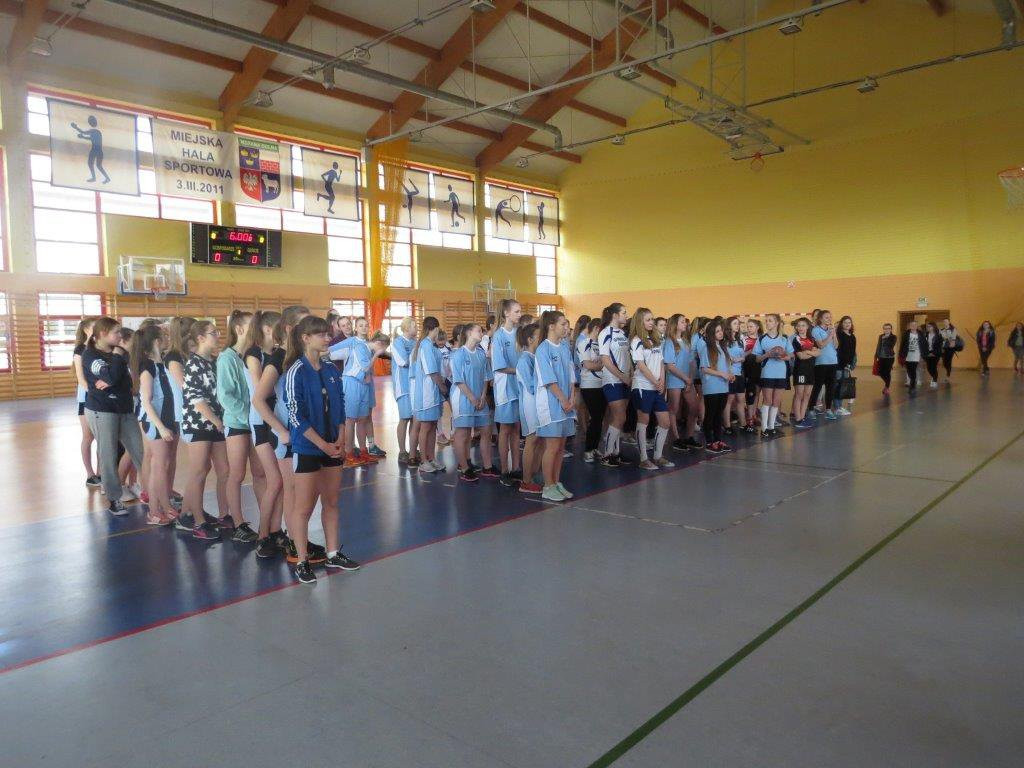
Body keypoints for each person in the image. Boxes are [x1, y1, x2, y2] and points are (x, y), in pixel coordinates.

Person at [284, 315, 359, 584]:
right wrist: (323, 445)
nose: (328, 339)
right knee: (303, 507)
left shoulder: (330, 370)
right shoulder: (296, 372)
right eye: (322, 335)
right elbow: (296, 415)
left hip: (332, 446)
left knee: (332, 502)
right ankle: (302, 560)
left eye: (328, 334)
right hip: (308, 448)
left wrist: (341, 436)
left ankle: (333, 553)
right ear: (306, 338)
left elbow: (340, 404)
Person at [253, 306, 326, 564]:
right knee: (292, 490)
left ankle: (297, 538)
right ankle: (294, 544)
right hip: (287, 435)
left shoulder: (300, 358)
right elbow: (258, 400)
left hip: (303, 433)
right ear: (289, 329)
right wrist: (281, 431)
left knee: (300, 491)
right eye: (305, 324)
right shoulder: (278, 359)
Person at [82, 317, 145, 516]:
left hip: (125, 408)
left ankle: (156, 491)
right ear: (102, 334)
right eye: (116, 332)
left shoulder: (121, 353)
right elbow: (110, 376)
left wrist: (112, 377)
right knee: (108, 454)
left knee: (140, 451)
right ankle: (114, 498)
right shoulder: (91, 355)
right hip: (103, 409)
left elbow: (122, 379)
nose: (120, 335)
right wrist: (116, 361)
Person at [177, 320, 230, 540]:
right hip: (199, 423)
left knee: (224, 469)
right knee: (199, 470)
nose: (217, 336)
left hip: (217, 421)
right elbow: (196, 399)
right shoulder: (193, 364)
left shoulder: (215, 362)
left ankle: (225, 514)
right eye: (213, 333)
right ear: (200, 338)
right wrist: (216, 421)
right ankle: (197, 520)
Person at [244, 310, 288, 559]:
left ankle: (276, 530)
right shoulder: (254, 354)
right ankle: (263, 536)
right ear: (269, 329)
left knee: (280, 481)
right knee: (274, 481)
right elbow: (261, 387)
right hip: (261, 421)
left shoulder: (277, 354)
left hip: (275, 417)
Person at [216, 310, 260, 543]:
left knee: (261, 472)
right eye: (252, 326)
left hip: (255, 421)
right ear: (239, 329)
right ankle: (238, 522)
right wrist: (248, 417)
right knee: (237, 473)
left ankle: (268, 524)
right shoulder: (227, 358)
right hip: (238, 423)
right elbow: (225, 396)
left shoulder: (253, 356)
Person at [129, 322, 176, 526]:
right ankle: (154, 510)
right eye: (164, 336)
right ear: (157, 341)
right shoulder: (147, 366)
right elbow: (146, 401)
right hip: (155, 421)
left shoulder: (161, 363)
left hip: (166, 417)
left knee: (162, 465)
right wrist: (161, 427)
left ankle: (165, 506)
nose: (168, 339)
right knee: (159, 466)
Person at [329, 326, 389, 465]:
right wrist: (376, 355)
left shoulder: (367, 349)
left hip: (362, 385)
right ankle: (349, 453)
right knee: (350, 420)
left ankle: (363, 452)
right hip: (352, 383)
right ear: (379, 344)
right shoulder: (360, 347)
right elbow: (365, 367)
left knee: (362, 419)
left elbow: (367, 371)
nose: (383, 352)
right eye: (383, 349)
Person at [535, 311, 576, 501]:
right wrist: (563, 400)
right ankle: (548, 485)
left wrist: (572, 396)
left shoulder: (565, 347)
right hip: (551, 404)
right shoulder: (543, 349)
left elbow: (571, 374)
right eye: (563, 324)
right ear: (551, 326)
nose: (566, 328)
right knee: (551, 447)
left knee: (560, 446)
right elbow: (549, 381)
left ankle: (557, 482)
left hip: (566, 403)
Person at [628, 308, 673, 470]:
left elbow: (660, 361)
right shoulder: (636, 341)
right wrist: (654, 381)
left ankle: (658, 456)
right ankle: (643, 459)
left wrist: (662, 381)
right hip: (642, 386)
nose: (651, 322)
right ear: (640, 322)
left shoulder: (655, 339)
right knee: (644, 421)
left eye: (652, 319)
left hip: (656, 387)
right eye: (648, 320)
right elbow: (640, 365)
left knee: (665, 421)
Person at [450, 323, 496, 482]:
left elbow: (486, 377)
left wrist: (482, 396)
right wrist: (472, 398)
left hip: (479, 400)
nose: (482, 333)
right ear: (469, 333)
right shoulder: (458, 355)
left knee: (486, 431)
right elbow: (459, 380)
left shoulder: (481, 354)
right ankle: (464, 468)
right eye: (478, 331)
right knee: (462, 433)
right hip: (463, 399)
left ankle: (488, 466)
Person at [491, 300, 523, 486]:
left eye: (520, 311)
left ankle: (516, 467)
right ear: (506, 313)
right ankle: (504, 470)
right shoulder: (498, 336)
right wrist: (521, 370)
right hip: (505, 388)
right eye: (516, 311)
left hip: (519, 386)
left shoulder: (519, 333)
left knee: (516, 428)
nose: (519, 314)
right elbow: (500, 366)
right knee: (505, 429)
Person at [598, 303, 632, 467]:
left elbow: (627, 358)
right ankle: (607, 453)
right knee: (620, 417)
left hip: (625, 380)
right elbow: (605, 360)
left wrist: (629, 375)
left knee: (618, 418)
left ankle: (616, 452)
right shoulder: (606, 333)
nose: (626, 315)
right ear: (615, 315)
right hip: (612, 380)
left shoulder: (623, 333)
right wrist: (621, 376)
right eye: (624, 312)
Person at [411, 316, 446, 474]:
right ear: (436, 329)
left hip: (433, 393)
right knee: (425, 427)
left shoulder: (431, 345)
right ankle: (423, 460)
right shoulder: (425, 345)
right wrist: (443, 387)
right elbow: (432, 372)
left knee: (432, 426)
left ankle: (431, 458)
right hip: (427, 394)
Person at [697, 319, 733, 454]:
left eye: (721, 330)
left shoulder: (723, 348)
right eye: (717, 331)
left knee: (719, 415)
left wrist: (730, 374)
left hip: (723, 387)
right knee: (710, 415)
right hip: (712, 387)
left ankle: (718, 440)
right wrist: (721, 374)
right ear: (712, 333)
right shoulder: (706, 348)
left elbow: (725, 366)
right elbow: (704, 368)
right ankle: (709, 442)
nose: (721, 333)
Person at [753, 313, 792, 437]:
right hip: (767, 373)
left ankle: (771, 427)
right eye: (766, 321)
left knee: (776, 401)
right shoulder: (761, 339)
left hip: (781, 373)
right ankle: (764, 429)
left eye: (770, 321)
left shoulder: (784, 338)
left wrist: (784, 356)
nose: (767, 323)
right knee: (767, 400)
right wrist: (768, 354)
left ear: (776, 323)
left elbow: (791, 355)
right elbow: (757, 359)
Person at [73, 317, 100, 487]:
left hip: (100, 398)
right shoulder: (81, 349)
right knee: (88, 437)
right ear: (86, 330)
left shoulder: (100, 348)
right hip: (87, 398)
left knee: (102, 438)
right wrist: (94, 393)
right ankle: (90, 474)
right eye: (94, 327)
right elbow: (81, 378)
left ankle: (101, 472)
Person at [516, 323, 543, 493]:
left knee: (539, 440)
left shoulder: (536, 357)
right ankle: (526, 481)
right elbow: (532, 386)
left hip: (538, 404)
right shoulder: (524, 360)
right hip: (530, 405)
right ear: (530, 339)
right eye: (539, 335)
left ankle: (533, 474)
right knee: (531, 440)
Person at [389, 316, 418, 464]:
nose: (417, 328)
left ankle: (413, 449)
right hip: (403, 385)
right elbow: (403, 362)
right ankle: (402, 451)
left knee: (414, 419)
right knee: (405, 418)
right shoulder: (398, 342)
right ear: (407, 328)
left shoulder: (415, 342)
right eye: (414, 326)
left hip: (414, 385)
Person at [578, 318, 607, 463]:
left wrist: (601, 363)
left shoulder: (600, 345)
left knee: (599, 418)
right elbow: (588, 365)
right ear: (596, 328)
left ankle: (595, 447)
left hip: (602, 384)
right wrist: (602, 364)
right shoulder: (584, 343)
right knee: (595, 417)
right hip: (589, 385)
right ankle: (588, 449)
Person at [808, 310, 839, 420]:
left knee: (830, 387)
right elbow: (821, 345)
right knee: (817, 386)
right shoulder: (816, 330)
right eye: (826, 317)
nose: (829, 319)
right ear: (820, 319)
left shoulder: (831, 330)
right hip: (821, 362)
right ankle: (811, 408)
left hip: (833, 361)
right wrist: (830, 335)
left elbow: (836, 346)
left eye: (830, 317)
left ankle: (828, 409)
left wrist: (834, 334)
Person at [790, 317, 820, 426]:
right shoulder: (796, 340)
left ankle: (802, 417)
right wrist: (812, 352)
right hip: (800, 370)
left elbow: (818, 353)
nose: (801, 328)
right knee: (799, 395)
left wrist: (807, 352)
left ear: (807, 327)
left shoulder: (812, 339)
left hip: (810, 371)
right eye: (799, 326)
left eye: (803, 325)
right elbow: (801, 356)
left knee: (807, 395)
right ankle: (798, 418)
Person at [723, 316, 746, 435]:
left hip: (739, 374)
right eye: (735, 323)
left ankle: (743, 424)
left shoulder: (740, 341)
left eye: (738, 324)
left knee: (741, 399)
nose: (737, 326)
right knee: (729, 401)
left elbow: (742, 357)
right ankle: (727, 425)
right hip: (730, 374)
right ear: (729, 326)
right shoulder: (725, 341)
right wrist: (732, 359)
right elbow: (725, 358)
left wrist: (739, 359)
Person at [833, 315, 856, 415]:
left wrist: (850, 364)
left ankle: (840, 406)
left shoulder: (852, 336)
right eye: (845, 322)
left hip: (847, 366)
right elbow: (839, 350)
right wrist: (843, 363)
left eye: (849, 322)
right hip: (838, 364)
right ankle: (836, 407)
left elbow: (852, 352)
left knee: (843, 386)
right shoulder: (839, 334)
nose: (847, 324)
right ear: (841, 324)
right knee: (837, 385)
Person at [899, 320, 926, 394]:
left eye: (915, 325)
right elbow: (902, 344)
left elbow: (924, 344)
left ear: (917, 326)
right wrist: (900, 354)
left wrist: (924, 353)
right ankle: (912, 382)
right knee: (909, 370)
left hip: (916, 355)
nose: (913, 326)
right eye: (912, 325)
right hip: (907, 355)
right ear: (910, 326)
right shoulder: (906, 334)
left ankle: (912, 386)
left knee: (913, 370)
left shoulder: (920, 334)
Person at [873, 323, 898, 395]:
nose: (887, 330)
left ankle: (887, 387)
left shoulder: (893, 337)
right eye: (885, 328)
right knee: (880, 372)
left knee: (887, 372)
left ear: (891, 329)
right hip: (881, 357)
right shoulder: (880, 336)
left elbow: (891, 345)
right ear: (883, 329)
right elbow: (878, 346)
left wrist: (885, 338)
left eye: (888, 328)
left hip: (889, 357)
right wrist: (876, 355)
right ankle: (887, 384)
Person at [922, 321, 943, 389]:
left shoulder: (938, 335)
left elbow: (939, 346)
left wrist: (933, 353)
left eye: (929, 326)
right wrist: (926, 353)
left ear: (933, 327)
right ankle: (934, 377)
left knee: (933, 367)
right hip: (927, 353)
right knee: (929, 368)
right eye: (927, 326)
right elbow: (924, 344)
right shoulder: (926, 334)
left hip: (935, 353)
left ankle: (934, 381)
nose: (928, 327)